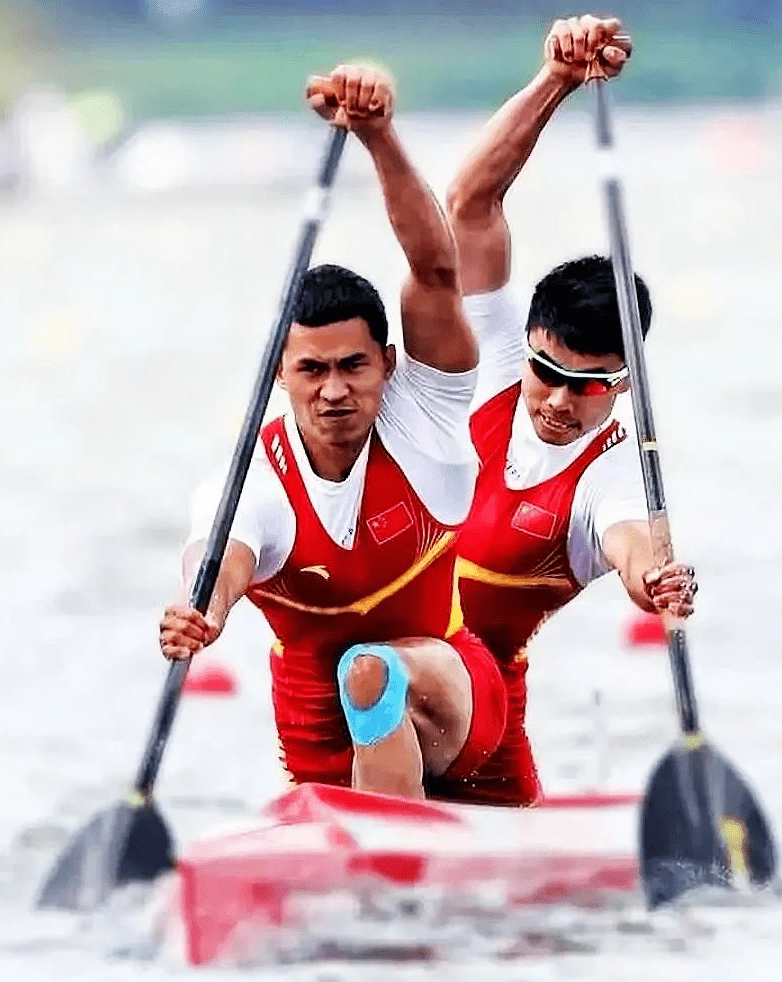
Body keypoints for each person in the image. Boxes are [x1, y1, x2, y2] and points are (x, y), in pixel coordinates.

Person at [158, 65, 508, 802]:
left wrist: (378, 137)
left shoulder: (426, 410)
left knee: (369, 670)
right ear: (280, 374)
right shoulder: (251, 480)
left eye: (354, 365)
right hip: (318, 733)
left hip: (451, 697)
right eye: (312, 370)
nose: (336, 389)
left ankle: (402, 866)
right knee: (354, 681)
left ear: (387, 362)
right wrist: (202, 611)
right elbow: (217, 559)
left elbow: (434, 269)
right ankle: (381, 850)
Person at [443, 15, 699, 805]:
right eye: (545, 369)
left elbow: (632, 549)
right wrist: (555, 79)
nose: (556, 400)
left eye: (588, 385)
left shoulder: (616, 472)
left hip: (479, 724)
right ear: (526, 342)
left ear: (622, 387)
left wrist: (656, 580)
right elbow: (471, 202)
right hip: (376, 694)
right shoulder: (491, 362)